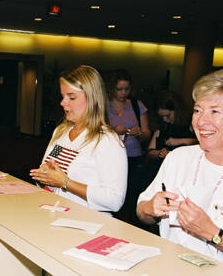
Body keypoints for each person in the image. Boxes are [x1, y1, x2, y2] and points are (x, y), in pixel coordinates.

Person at [137, 68, 223, 276]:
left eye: (215, 111)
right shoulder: (178, 158)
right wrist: (150, 208)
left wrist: (212, 233)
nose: (201, 122)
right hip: (166, 272)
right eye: (197, 110)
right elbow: (142, 213)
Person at [30, 65, 127, 213]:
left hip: (88, 224)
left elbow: (114, 200)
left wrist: (65, 183)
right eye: (63, 96)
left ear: (92, 98)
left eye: (71, 97)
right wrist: (43, 176)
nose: (63, 102)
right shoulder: (61, 132)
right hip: (54, 215)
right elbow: (46, 174)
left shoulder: (107, 141)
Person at [107, 69, 151, 225]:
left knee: (132, 196)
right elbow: (95, 130)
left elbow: (147, 133)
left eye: (126, 89)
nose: (123, 93)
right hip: (110, 157)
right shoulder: (104, 105)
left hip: (133, 156)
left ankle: (132, 228)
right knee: (112, 195)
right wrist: (113, 130)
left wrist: (140, 133)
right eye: (119, 89)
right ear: (112, 88)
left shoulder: (136, 105)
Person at [146, 90, 197, 163]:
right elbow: (150, 151)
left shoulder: (191, 122)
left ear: (177, 110)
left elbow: (201, 144)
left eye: (167, 115)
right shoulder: (162, 125)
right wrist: (159, 152)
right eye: (161, 116)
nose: (165, 120)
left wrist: (179, 141)